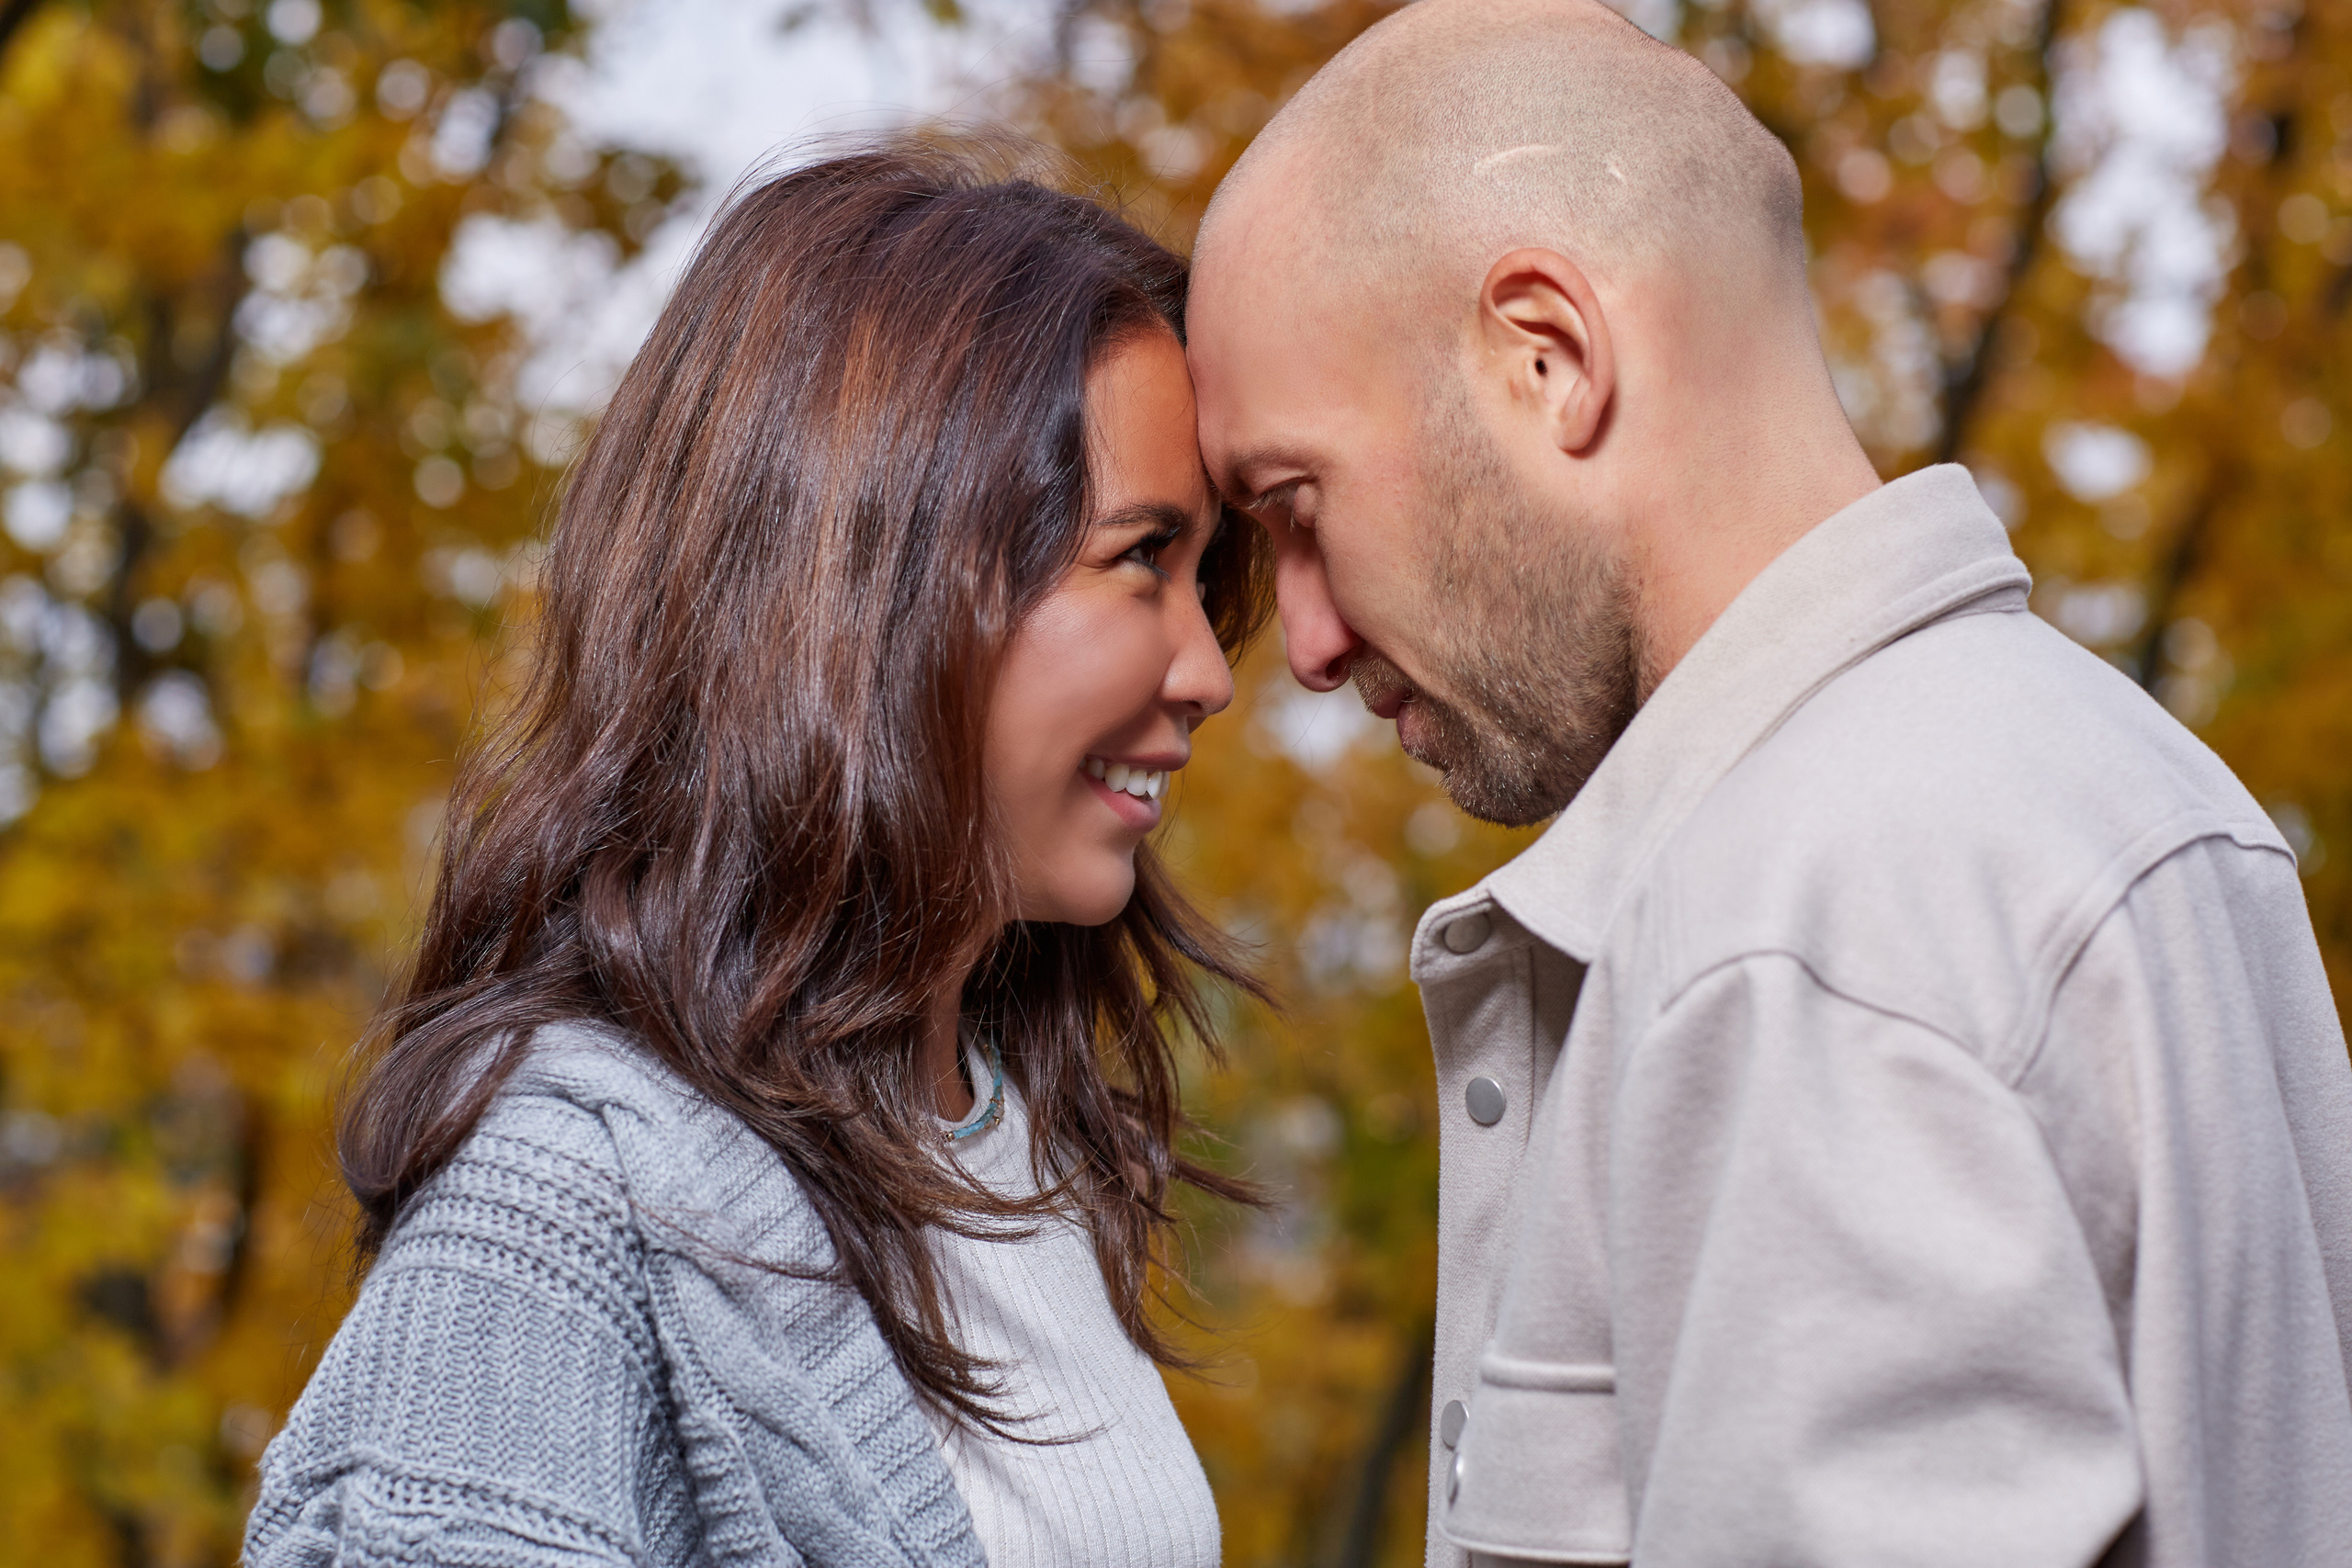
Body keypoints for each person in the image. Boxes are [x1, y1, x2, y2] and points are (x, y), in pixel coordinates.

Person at [1186, 1, 2352, 1563]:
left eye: (1297, 506)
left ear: (1549, 357)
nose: (1307, 642)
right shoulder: (2141, 786)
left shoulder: (1803, 923)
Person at [244, 143, 1271, 1568]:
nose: (1210, 670)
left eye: (1204, 573)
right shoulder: (560, 1220)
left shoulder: (1018, 1144)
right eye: (1141, 557)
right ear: (877, 579)